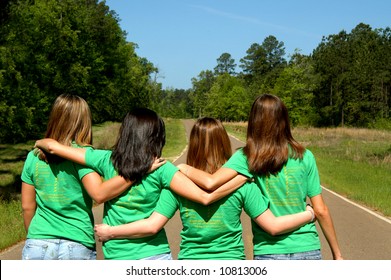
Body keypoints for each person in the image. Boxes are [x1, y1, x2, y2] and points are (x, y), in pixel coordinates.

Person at [35, 108, 247, 260]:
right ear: (156, 137)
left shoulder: (104, 160)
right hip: (155, 255)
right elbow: (204, 196)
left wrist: (39, 143)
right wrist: (243, 176)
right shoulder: (163, 169)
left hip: (117, 255)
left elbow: (52, 146)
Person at [94, 117, 315, 260]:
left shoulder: (179, 184)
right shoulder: (242, 183)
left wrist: (110, 231)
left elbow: (153, 225)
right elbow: (272, 225)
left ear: (193, 144)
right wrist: (308, 213)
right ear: (224, 143)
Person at [177, 95, 343, 260]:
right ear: (284, 120)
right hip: (307, 247)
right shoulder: (305, 156)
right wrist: (337, 254)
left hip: (269, 250)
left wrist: (183, 167)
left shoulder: (247, 157)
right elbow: (320, 210)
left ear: (254, 122)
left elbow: (210, 182)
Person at [21, 94, 140, 260]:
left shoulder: (33, 157)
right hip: (76, 241)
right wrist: (136, 172)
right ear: (84, 122)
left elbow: (27, 207)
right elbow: (99, 194)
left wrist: (35, 236)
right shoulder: (81, 156)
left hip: (38, 241)